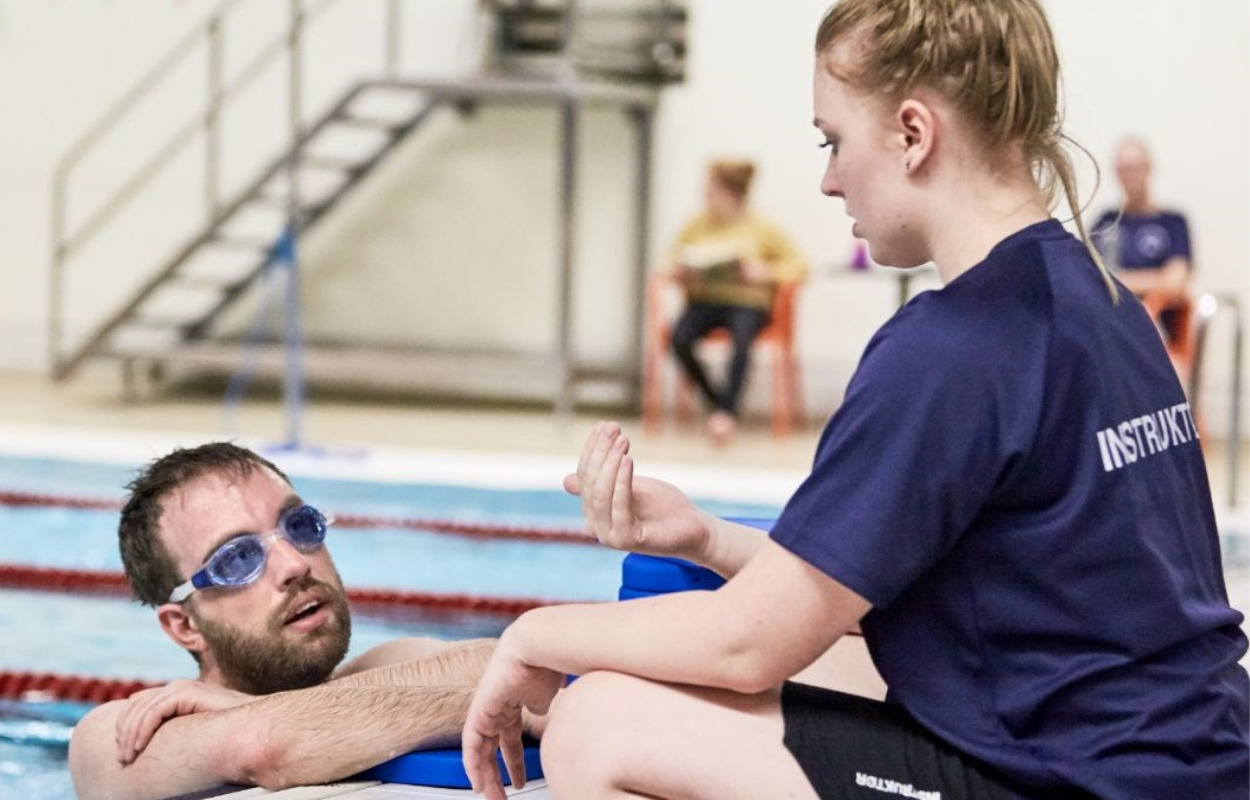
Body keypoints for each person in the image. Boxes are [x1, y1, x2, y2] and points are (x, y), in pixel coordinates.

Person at [461, 1, 1249, 799]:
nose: (829, 178)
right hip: (1203, 755)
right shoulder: (1103, 302)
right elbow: (857, 585)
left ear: (914, 133)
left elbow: (747, 645)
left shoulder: (950, 346)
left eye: (833, 140)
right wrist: (702, 536)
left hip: (1077, 779)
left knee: (599, 719)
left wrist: (531, 636)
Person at [68, 442, 530, 800]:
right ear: (184, 626)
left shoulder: (387, 662)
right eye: (238, 558)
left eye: (299, 526)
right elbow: (262, 746)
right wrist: (492, 705)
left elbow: (516, 666)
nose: (294, 564)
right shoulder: (119, 735)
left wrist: (247, 707)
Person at [665, 159, 808, 444]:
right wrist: (682, 272)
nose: (706, 198)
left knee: (741, 340)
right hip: (705, 301)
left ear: (734, 194)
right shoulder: (696, 225)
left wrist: (763, 272)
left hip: (747, 303)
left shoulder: (762, 228)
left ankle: (725, 414)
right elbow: (670, 261)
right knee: (678, 338)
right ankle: (718, 403)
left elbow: (799, 265)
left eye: (712, 192)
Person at [1091, 137, 1196, 375]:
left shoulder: (1172, 222)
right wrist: (1150, 279)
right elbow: (1087, 276)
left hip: (1159, 333)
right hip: (1108, 327)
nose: (1128, 176)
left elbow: (1175, 282)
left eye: (1134, 167)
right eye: (1122, 169)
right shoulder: (1106, 222)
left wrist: (1119, 279)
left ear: (1148, 168)